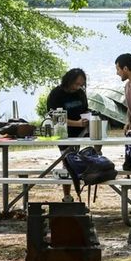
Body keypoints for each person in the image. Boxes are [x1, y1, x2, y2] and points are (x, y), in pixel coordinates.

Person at [47, 68, 89, 202]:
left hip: (81, 133)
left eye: (81, 85)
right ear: (69, 80)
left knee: (85, 159)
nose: (78, 87)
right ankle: (67, 196)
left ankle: (79, 191)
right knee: (67, 162)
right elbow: (54, 116)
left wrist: (88, 119)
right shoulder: (56, 94)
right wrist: (76, 123)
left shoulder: (81, 93)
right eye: (76, 84)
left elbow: (85, 109)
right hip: (63, 134)